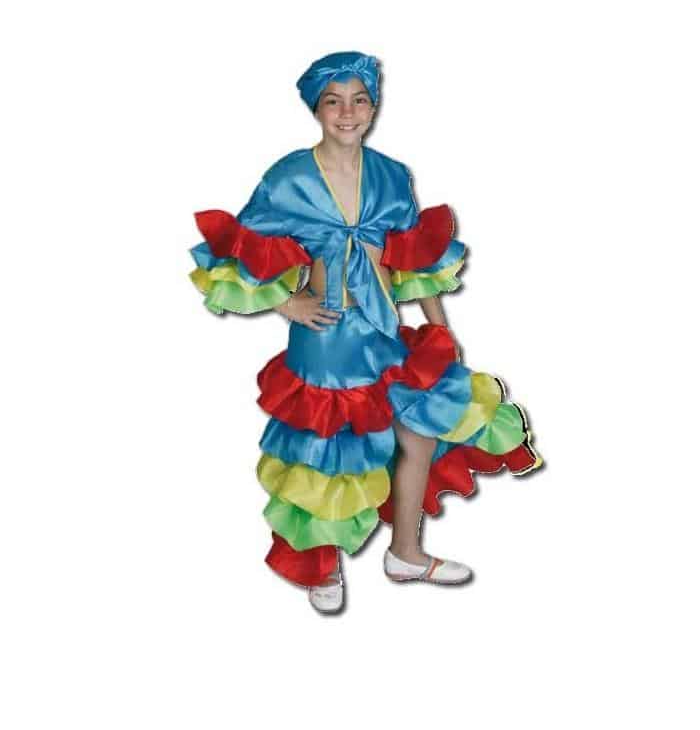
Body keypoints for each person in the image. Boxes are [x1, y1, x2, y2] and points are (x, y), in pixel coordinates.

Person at [189, 51, 542, 614]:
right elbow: (235, 251)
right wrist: (288, 302)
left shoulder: (391, 176)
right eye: (334, 101)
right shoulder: (289, 178)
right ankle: (322, 565)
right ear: (316, 109)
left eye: (359, 100)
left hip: (381, 329)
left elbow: (415, 259)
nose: (347, 112)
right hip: (327, 337)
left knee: (419, 432)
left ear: (374, 107)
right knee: (331, 450)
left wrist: (440, 332)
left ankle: (406, 553)